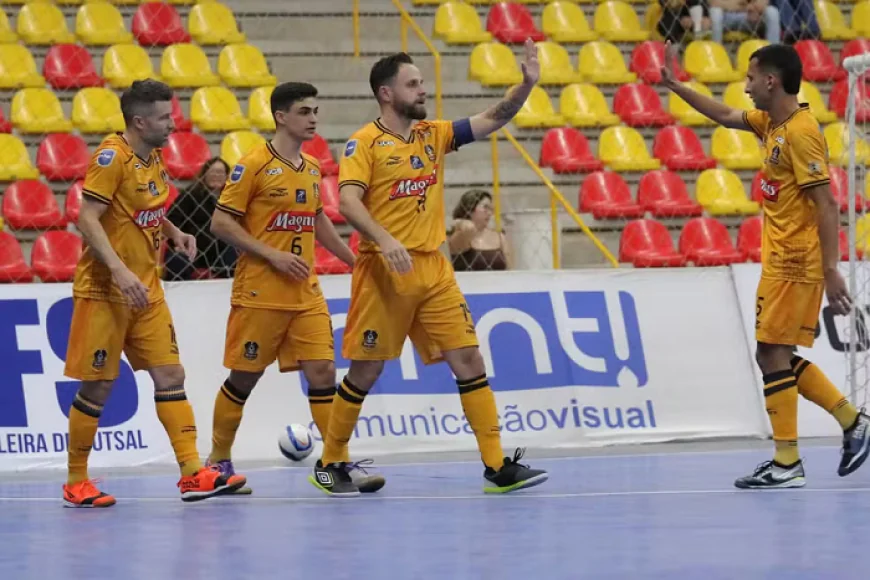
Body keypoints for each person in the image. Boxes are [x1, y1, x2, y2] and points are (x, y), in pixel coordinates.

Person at [310, 39, 549, 497]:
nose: (424, 89)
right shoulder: (364, 143)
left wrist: (525, 86)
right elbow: (347, 201)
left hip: (434, 268)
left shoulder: (432, 134)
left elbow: (494, 118)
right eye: (413, 83)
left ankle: (497, 466)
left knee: (469, 358)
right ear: (386, 93)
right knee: (366, 371)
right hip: (384, 270)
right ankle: (331, 462)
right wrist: (383, 238)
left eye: (422, 82)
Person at [660, 42, 870, 489]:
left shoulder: (800, 131)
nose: (746, 86)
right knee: (772, 353)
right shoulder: (772, 124)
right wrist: (677, 86)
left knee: (771, 354)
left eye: (751, 78)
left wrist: (833, 269)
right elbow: (725, 116)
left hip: (797, 262)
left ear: (771, 81)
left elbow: (827, 204)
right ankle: (849, 423)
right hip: (779, 261)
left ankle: (791, 459)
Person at [62, 79, 247, 507]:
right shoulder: (111, 158)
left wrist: (174, 229)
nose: (173, 124)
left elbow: (142, 208)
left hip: (147, 288)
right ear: (140, 121)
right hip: (106, 290)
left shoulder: (153, 156)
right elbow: (87, 218)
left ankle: (191, 474)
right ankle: (75, 481)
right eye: (165, 117)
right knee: (99, 387)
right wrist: (119, 270)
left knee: (171, 375)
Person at [207, 82, 384, 494]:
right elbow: (221, 223)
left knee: (323, 371)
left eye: (316, 111)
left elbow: (316, 218)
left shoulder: (309, 166)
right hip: (260, 291)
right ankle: (217, 462)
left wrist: (352, 260)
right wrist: (271, 254)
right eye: (305, 112)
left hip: (305, 291)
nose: (314, 119)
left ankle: (334, 463)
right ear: (281, 117)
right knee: (244, 378)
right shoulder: (251, 164)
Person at [164, 157, 237, 281]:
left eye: (220, 172)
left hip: (221, 252)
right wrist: (178, 243)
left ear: (226, 177)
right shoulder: (190, 195)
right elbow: (171, 220)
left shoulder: (231, 199)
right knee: (176, 259)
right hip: (192, 249)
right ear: (205, 174)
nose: (216, 175)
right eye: (213, 171)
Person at [448, 189, 511, 271]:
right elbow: (469, 228)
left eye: (491, 209)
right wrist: (458, 222)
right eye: (485, 207)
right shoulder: (461, 234)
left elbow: (510, 270)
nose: (489, 213)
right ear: (469, 209)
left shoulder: (500, 237)